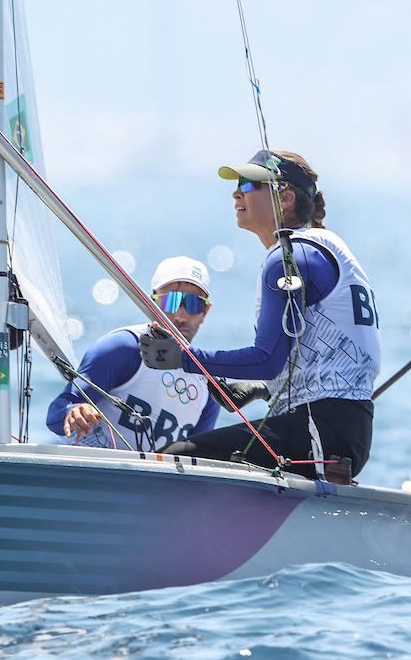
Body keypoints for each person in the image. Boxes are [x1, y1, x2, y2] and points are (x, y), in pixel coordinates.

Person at [138, 150, 380, 478]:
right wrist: (262, 387)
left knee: (173, 459)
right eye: (237, 185)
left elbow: (267, 358)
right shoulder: (325, 246)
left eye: (250, 185)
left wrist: (183, 357)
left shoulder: (290, 257)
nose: (237, 193)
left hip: (319, 427)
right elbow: (317, 349)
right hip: (343, 427)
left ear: (286, 198)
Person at [46, 256, 220, 450]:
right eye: (170, 301)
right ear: (152, 302)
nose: (180, 316)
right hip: (90, 472)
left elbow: (199, 458)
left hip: (149, 479)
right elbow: (56, 414)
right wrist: (73, 412)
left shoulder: (208, 383)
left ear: (206, 311)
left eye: (193, 304)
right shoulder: (123, 349)